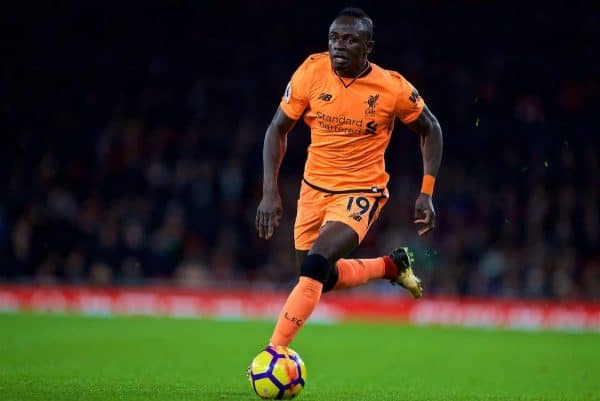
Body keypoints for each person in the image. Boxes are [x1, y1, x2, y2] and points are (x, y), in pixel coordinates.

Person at [255, 7, 443, 347]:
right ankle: (391, 266)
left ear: (368, 46)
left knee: (315, 263)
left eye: (350, 40)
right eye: (333, 38)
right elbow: (276, 129)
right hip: (313, 191)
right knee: (320, 277)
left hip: (361, 191)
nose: (338, 46)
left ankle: (274, 352)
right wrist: (270, 193)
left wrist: (426, 191)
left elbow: (431, 128)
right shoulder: (311, 72)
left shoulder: (391, 87)